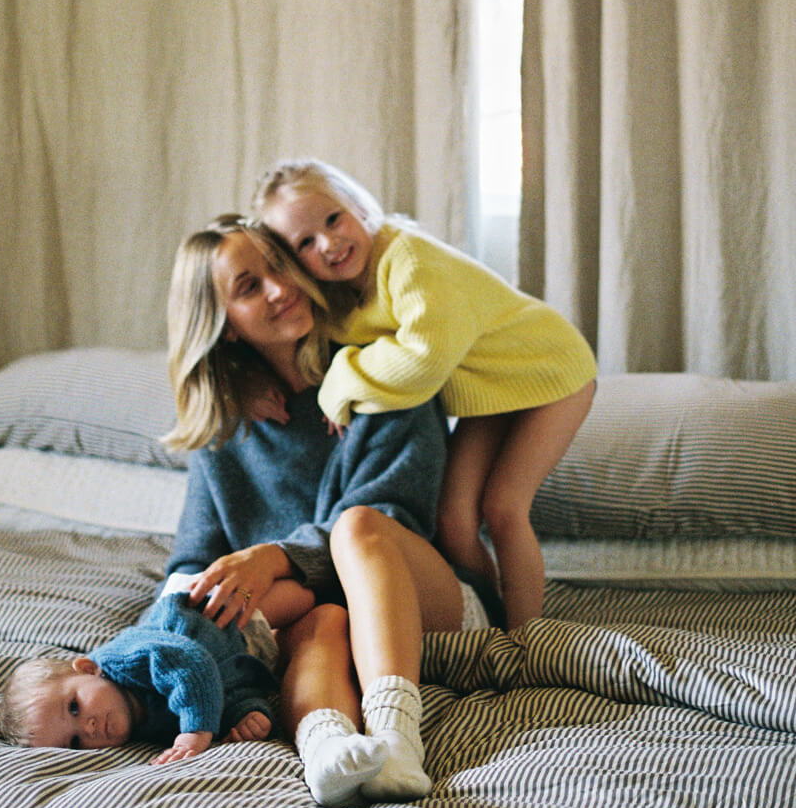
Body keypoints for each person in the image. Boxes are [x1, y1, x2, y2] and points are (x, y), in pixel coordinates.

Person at [162, 214, 486, 808]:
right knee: (320, 622)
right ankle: (327, 754)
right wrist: (174, 626)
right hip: (312, 617)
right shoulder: (227, 427)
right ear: (224, 327)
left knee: (360, 525)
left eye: (279, 266)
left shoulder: (383, 372)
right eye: (249, 286)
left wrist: (273, 558)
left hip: (420, 597)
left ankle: (397, 738)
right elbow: (193, 559)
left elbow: (396, 515)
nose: (279, 289)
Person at [253, 158, 597, 631]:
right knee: (453, 522)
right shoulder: (339, 297)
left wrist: (341, 382)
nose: (328, 244)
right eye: (305, 243)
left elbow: (423, 360)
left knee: (503, 508)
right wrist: (248, 384)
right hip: (493, 389)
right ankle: (488, 622)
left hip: (553, 369)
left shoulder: (410, 260)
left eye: (333, 219)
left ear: (357, 206)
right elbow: (298, 349)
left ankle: (525, 639)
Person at [0, 578, 277, 763]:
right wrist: (248, 715)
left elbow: (192, 664)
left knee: (293, 599)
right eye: (74, 742)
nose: (88, 727)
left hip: (220, 614)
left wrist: (196, 732)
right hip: (245, 661)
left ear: (88, 669)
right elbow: (218, 698)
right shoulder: (137, 731)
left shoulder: (124, 658)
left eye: (74, 708)